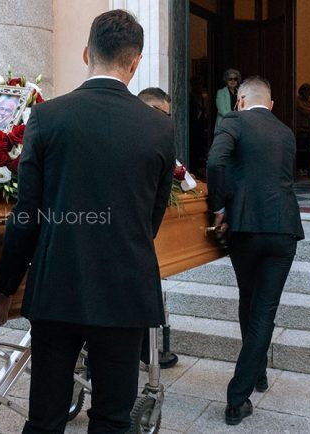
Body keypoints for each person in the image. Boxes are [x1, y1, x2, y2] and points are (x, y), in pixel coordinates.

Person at [0, 10, 175, 433]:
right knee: (111, 417)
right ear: (135, 62)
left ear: (86, 52)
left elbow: (27, 214)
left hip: (59, 287)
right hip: (125, 288)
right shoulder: (159, 128)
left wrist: (2, 286)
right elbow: (152, 216)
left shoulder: (49, 117)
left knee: (46, 416)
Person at [206, 76, 304, 426]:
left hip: (245, 227)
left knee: (249, 302)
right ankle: (257, 372)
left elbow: (216, 163)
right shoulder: (286, 131)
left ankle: (237, 398)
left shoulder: (233, 120)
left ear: (241, 100)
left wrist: (219, 206)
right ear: (271, 104)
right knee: (262, 309)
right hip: (284, 229)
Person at [137, 87, 178, 371]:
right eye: (164, 114)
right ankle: (145, 354)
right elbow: (158, 201)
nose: (167, 121)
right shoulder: (157, 138)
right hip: (134, 244)